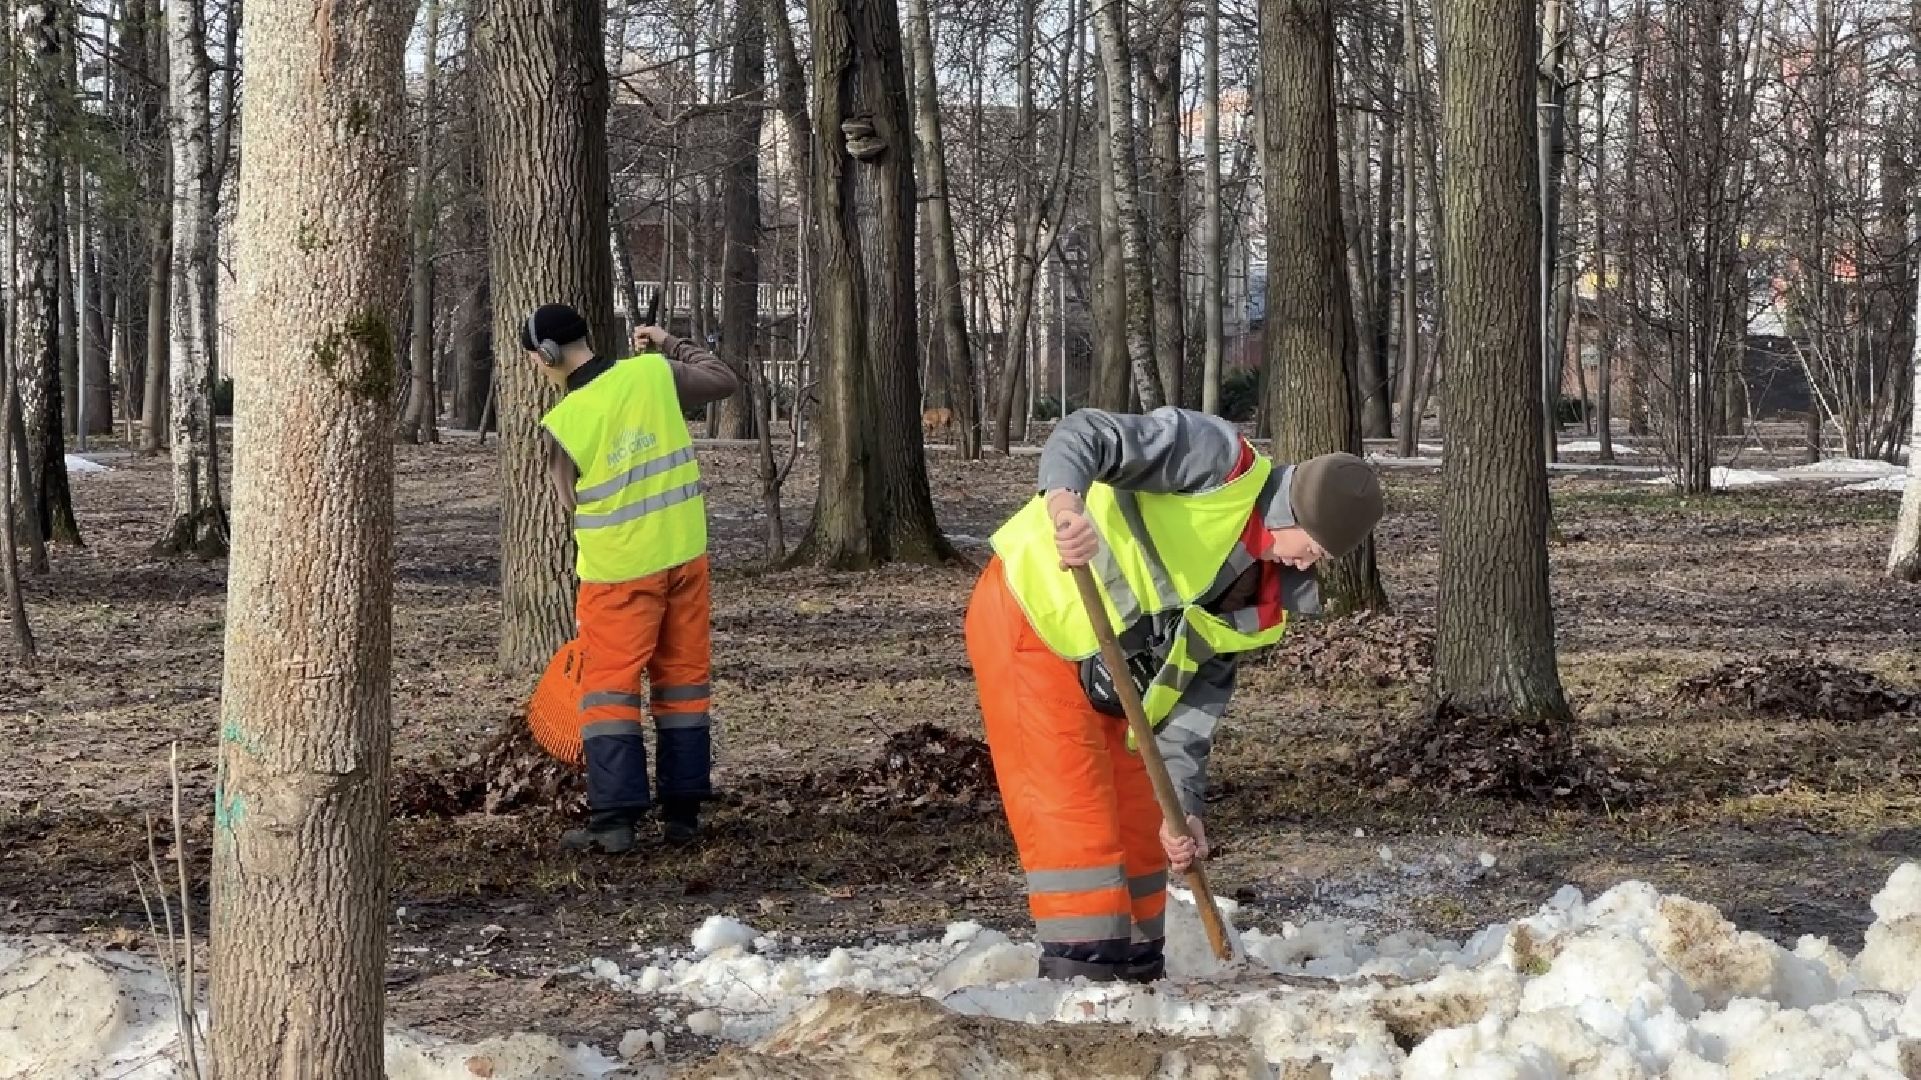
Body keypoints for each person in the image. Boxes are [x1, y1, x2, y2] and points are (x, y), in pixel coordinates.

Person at [965, 406, 1385, 983]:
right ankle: (1083, 998)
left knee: (1144, 831)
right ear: (1294, 509)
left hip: (1116, 682)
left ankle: (1136, 987)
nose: (1308, 563)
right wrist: (1066, 507)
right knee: (1078, 826)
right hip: (1036, 618)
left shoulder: (1257, 602)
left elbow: (1191, 711)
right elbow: (1083, 434)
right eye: (1311, 546)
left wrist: (1183, 809)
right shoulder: (1213, 460)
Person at [525, 303, 740, 853]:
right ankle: (683, 813)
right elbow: (721, 380)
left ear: (547, 356)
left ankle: (615, 821)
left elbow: (566, 500)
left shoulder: (566, 423)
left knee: (610, 692)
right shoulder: (653, 373)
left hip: (618, 572)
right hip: (685, 555)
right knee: (683, 681)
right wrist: (669, 341)